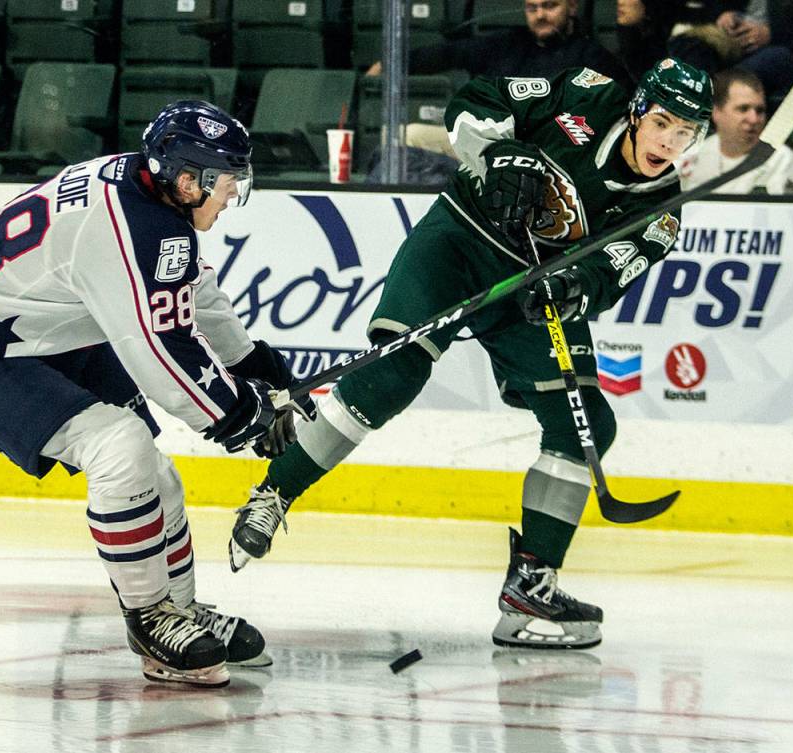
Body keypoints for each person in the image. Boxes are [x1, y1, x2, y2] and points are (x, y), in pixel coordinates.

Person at [227, 59, 714, 650]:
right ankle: (274, 493)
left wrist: (572, 284)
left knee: (583, 423)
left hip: (529, 290)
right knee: (391, 377)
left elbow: (609, 274)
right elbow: (480, 95)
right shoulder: (585, 90)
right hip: (456, 243)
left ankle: (531, 585)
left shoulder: (662, 215)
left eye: (686, 132)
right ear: (638, 108)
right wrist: (495, 152)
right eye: (663, 121)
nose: (669, 141)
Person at [0, 101, 314, 687]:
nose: (232, 198)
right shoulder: (135, 227)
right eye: (227, 184)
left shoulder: (148, 195)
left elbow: (193, 296)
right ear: (187, 179)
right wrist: (241, 414)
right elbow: (160, 354)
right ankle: (149, 618)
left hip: (43, 328)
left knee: (149, 466)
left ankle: (179, 609)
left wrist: (253, 366)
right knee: (120, 447)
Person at [365, 0, 630, 88]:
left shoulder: (590, 54)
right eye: (532, 7)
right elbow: (448, 54)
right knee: (411, 135)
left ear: (571, 6)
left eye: (550, 6)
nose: (540, 15)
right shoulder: (506, 43)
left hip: (549, 151)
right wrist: (390, 64)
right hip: (487, 142)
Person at [678, 67, 793, 194]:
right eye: (743, 109)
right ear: (716, 112)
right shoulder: (692, 156)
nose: (754, 119)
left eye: (760, 110)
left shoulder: (781, 160)